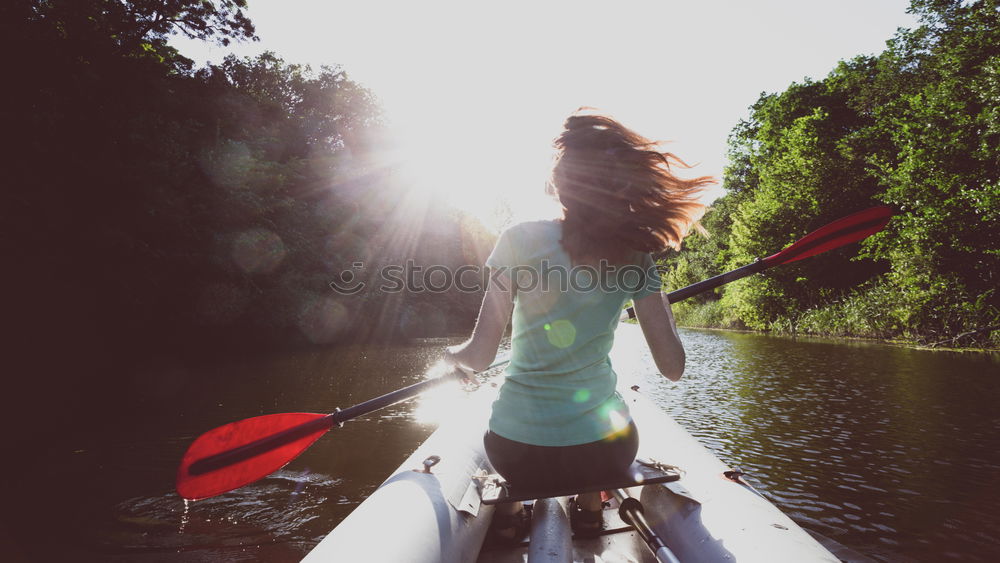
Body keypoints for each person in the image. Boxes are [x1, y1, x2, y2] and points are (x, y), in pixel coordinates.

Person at [443, 110, 714, 539]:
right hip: (604, 454)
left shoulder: (517, 238)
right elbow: (673, 368)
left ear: (558, 183)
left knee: (514, 447)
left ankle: (512, 513)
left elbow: (479, 357)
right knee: (599, 439)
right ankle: (590, 507)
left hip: (517, 452)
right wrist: (658, 298)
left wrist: (450, 358)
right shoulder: (635, 257)